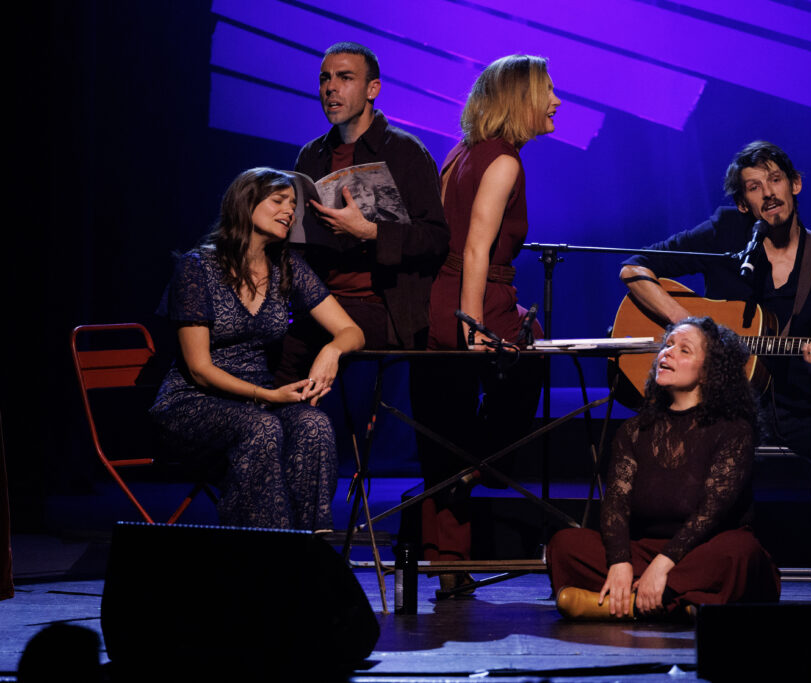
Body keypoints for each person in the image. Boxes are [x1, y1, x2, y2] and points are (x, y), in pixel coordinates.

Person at [619, 141, 811, 608]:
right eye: (754, 187)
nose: (768, 193)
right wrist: (691, 326)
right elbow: (634, 269)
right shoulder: (726, 234)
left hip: (793, 410)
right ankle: (681, 569)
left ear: (795, 185)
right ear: (742, 203)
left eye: (775, 180)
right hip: (719, 407)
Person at [411, 55, 560, 593]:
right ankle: (481, 468)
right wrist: (472, 324)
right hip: (477, 295)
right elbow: (475, 247)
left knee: (445, 427)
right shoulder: (503, 162)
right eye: (547, 91)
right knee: (530, 357)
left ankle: (448, 560)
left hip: (444, 295)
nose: (556, 102)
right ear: (521, 99)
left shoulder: (463, 152)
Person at [150, 168, 365, 530]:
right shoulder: (197, 267)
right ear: (246, 204)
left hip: (259, 402)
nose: (290, 211)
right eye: (279, 200)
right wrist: (269, 395)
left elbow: (351, 331)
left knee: (313, 425)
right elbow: (199, 369)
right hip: (192, 402)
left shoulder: (287, 266)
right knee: (261, 428)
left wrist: (331, 351)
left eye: (293, 204)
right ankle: (263, 547)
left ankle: (311, 541)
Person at [547, 317, 780, 620]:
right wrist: (620, 562)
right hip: (644, 552)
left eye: (684, 349)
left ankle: (623, 605)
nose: (667, 352)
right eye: (667, 345)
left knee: (739, 553)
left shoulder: (733, 430)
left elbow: (712, 513)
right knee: (565, 544)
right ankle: (679, 603)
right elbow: (615, 507)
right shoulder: (634, 430)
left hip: (703, 550)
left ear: (708, 371)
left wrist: (663, 564)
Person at [275, 41, 447, 365]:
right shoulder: (312, 155)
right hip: (321, 302)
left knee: (305, 353)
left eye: (344, 77)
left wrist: (370, 231)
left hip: (380, 306)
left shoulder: (405, 151)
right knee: (273, 348)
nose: (331, 88)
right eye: (325, 78)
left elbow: (435, 239)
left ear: (372, 89)